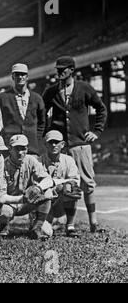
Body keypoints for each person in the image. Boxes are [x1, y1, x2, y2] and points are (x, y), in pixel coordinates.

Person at [43, 56, 107, 233]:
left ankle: (93, 223)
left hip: (80, 144)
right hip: (60, 147)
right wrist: (46, 135)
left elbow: (101, 108)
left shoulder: (84, 88)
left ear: (72, 70)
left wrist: (97, 131)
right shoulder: (51, 91)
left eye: (63, 69)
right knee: (68, 185)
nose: (60, 72)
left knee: (87, 183)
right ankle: (69, 224)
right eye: (58, 69)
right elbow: (42, 113)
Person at [0, 135, 54, 239]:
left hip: (28, 202)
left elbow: (48, 180)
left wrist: (38, 188)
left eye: (24, 148)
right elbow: (1, 196)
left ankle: (36, 228)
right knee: (4, 212)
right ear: (10, 148)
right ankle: (3, 227)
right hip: (10, 203)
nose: (21, 152)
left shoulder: (31, 160)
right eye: (17, 149)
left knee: (47, 193)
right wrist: (21, 199)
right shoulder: (3, 165)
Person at [0, 63, 46, 156]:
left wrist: (36, 138)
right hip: (11, 149)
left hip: (32, 149)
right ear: (12, 76)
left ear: (27, 77)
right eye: (17, 74)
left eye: (23, 74)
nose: (20, 77)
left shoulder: (37, 98)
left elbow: (42, 122)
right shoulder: (2, 98)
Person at [41, 130, 81, 237]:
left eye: (57, 142)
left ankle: (70, 226)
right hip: (45, 200)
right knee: (45, 232)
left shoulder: (69, 160)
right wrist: (54, 188)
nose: (54, 145)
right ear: (45, 144)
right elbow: (38, 183)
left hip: (60, 199)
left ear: (62, 144)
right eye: (50, 142)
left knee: (71, 188)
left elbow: (75, 180)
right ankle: (42, 222)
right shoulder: (40, 161)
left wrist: (64, 186)